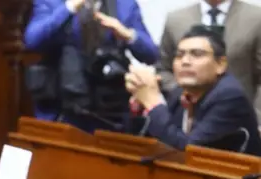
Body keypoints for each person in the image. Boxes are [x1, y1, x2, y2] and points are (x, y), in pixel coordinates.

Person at [23, 0, 158, 131]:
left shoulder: (124, 4)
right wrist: (68, 8)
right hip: (61, 109)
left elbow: (151, 54)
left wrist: (127, 34)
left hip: (109, 113)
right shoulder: (52, 2)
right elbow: (32, 40)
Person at [126, 25, 261, 156]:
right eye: (179, 55)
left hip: (235, 176)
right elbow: (149, 140)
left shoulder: (230, 97)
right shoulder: (179, 92)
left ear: (221, 64)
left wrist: (153, 103)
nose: (185, 61)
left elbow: (189, 151)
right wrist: (140, 108)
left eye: (197, 54)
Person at [157, 0, 261, 123]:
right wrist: (186, 92)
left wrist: (258, 119)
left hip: (240, 120)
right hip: (186, 120)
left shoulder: (256, 18)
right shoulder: (176, 19)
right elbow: (163, 69)